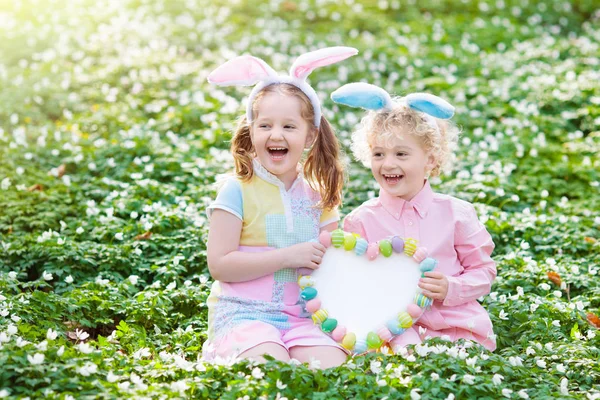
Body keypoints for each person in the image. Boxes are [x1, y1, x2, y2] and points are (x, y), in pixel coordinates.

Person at [202, 47, 358, 367]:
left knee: (331, 366)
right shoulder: (236, 191)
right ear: (251, 130)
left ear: (310, 135)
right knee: (269, 365)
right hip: (244, 313)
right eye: (265, 126)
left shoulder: (318, 194)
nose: (276, 134)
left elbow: (332, 263)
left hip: (304, 317)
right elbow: (219, 264)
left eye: (289, 126)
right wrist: (288, 256)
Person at [332, 82, 497, 352]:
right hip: (393, 328)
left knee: (462, 364)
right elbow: (352, 284)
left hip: (455, 324)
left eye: (401, 154)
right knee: (401, 357)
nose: (388, 164)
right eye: (378, 154)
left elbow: (484, 271)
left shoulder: (457, 214)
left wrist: (451, 287)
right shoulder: (360, 221)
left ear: (430, 160)